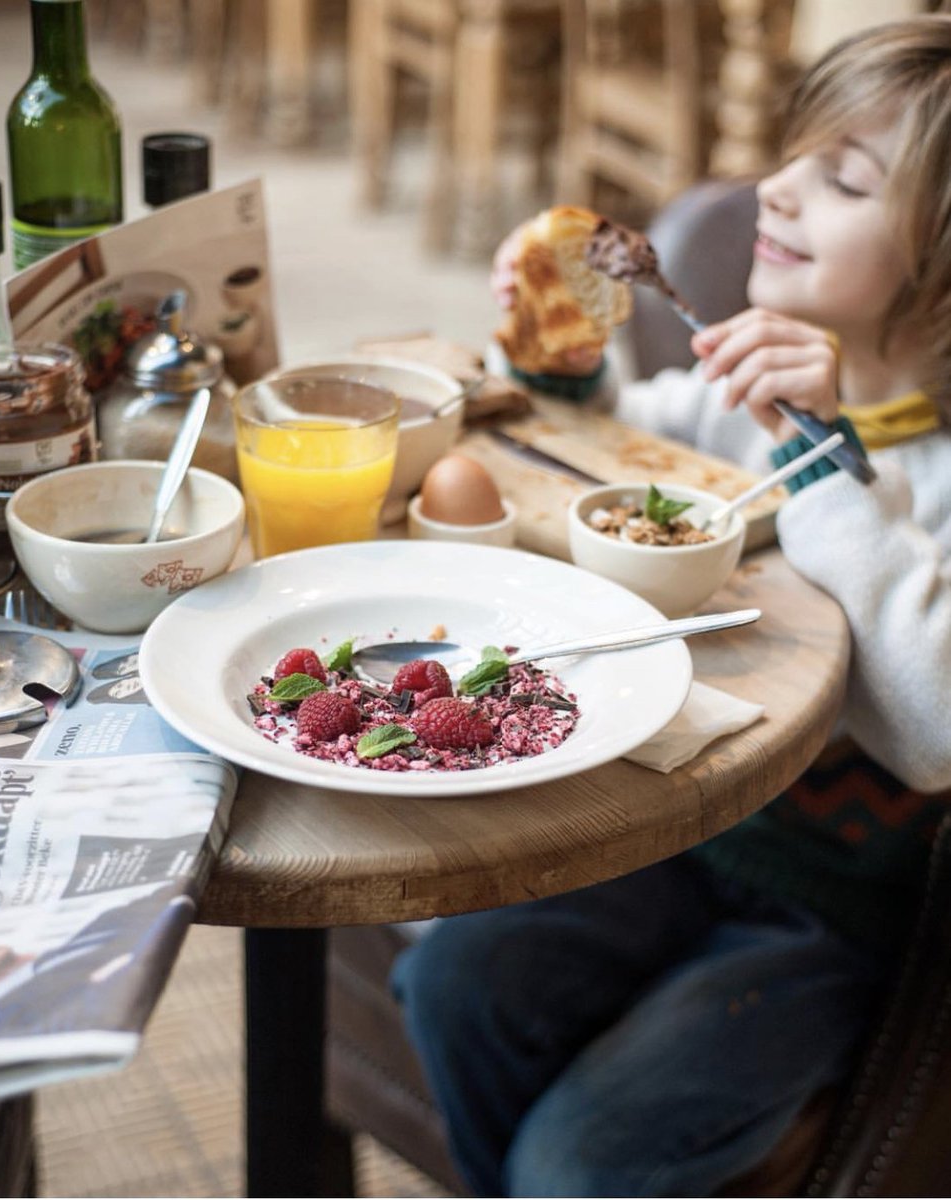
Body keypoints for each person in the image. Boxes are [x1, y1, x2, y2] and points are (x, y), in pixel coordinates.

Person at [392, 16, 951, 1198]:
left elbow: (929, 728)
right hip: (686, 829)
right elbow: (634, 432)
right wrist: (560, 358)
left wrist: (815, 461)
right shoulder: (745, 385)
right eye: (792, 155)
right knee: (451, 983)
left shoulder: (898, 459)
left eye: (842, 178)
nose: (777, 189)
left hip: (842, 915)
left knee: (580, 1161)